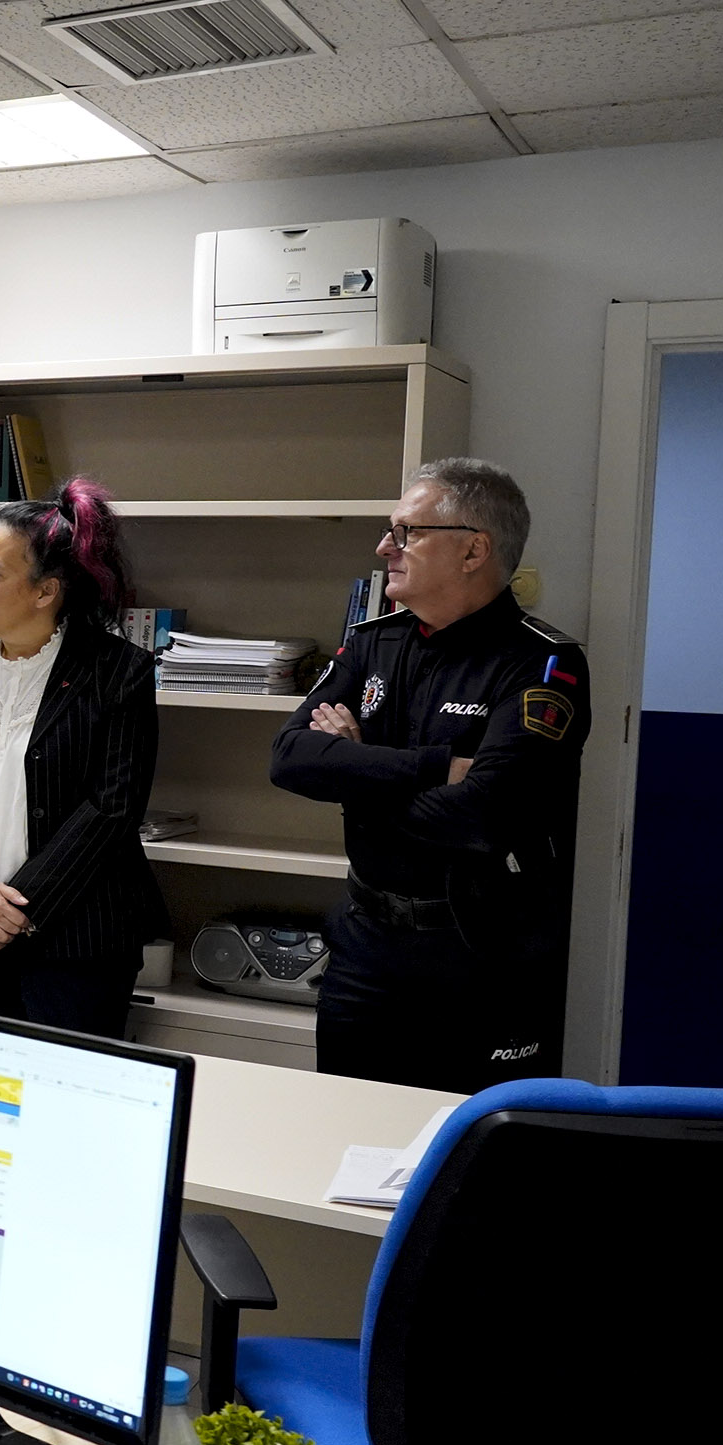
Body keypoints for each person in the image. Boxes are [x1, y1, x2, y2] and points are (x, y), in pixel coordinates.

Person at [272, 459, 588, 1092]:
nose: (384, 547)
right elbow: (289, 757)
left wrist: (355, 773)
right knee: (347, 1126)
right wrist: (434, 767)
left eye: (406, 532)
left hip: (482, 953)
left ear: (473, 550)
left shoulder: (542, 662)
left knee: (474, 1141)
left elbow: (482, 813)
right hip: (366, 949)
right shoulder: (373, 643)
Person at [0, 479, 166, 1038]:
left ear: (46, 592)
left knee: (62, 1089)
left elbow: (112, 808)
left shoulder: (119, 672)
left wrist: (9, 912)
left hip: (74, 942)